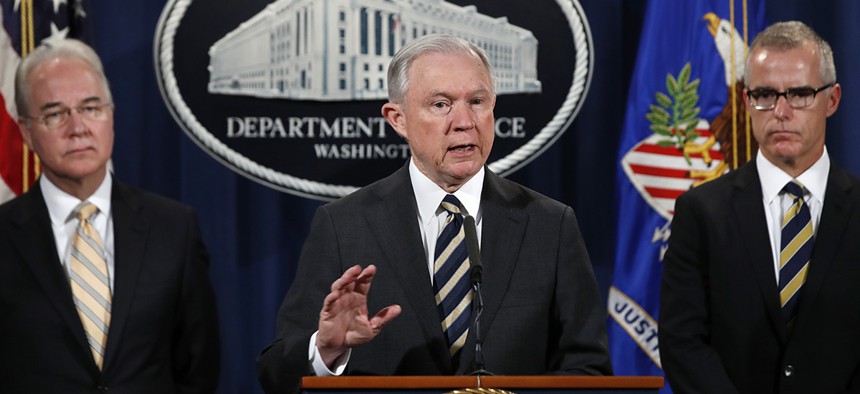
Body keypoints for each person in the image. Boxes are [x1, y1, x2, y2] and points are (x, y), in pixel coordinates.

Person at [257, 34, 612, 394]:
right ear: (398, 119)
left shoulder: (550, 224)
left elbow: (588, 371)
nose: (464, 121)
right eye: (441, 104)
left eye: (477, 101)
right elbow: (275, 373)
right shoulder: (343, 225)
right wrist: (326, 348)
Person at [0, 39, 220, 393]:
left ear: (111, 116)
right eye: (55, 114)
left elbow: (198, 371)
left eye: (91, 108)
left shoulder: (174, 229)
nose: (78, 127)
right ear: (26, 132)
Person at [659, 21, 860, 393]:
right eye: (765, 94)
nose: (781, 111)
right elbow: (681, 341)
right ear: (746, 101)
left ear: (831, 100)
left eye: (800, 94)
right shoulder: (700, 213)